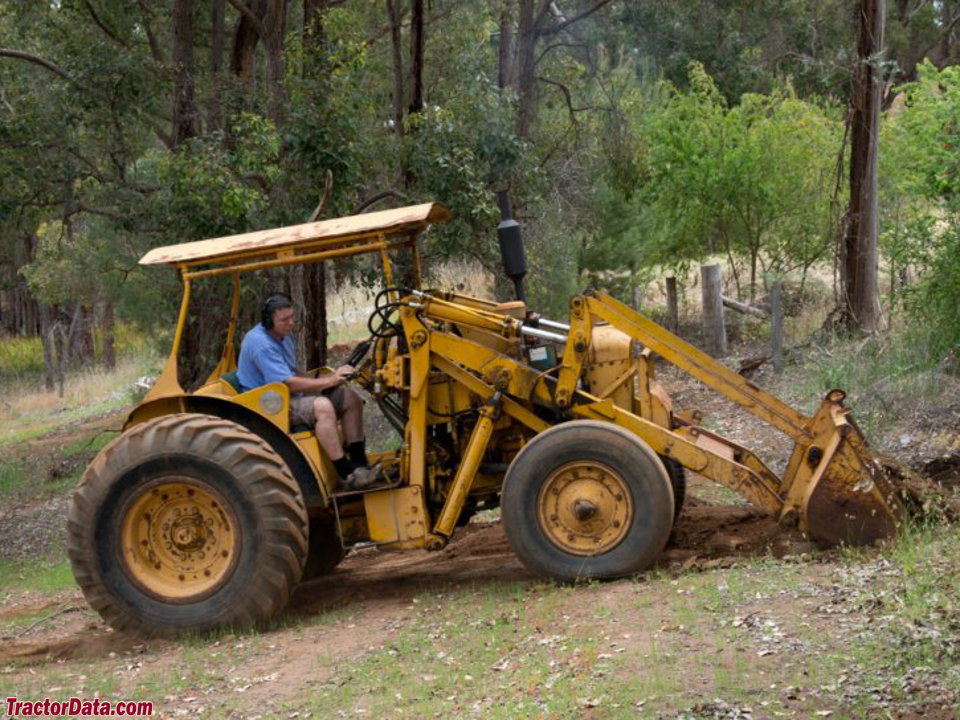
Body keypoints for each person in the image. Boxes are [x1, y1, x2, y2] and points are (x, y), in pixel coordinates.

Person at [236, 293, 376, 490]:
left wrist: (326, 382)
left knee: (350, 399)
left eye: (292, 317)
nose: (291, 323)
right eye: (284, 320)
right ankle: (347, 473)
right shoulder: (261, 344)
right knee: (323, 407)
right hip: (268, 404)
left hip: (285, 393)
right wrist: (329, 380)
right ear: (269, 321)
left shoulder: (284, 335)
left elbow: (292, 370)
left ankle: (360, 465)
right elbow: (289, 384)